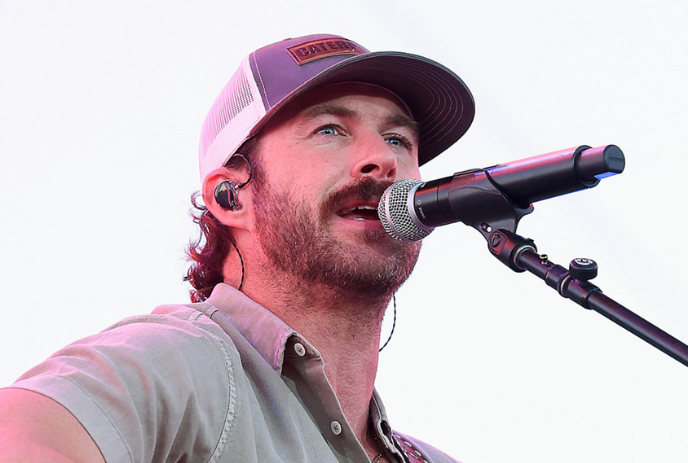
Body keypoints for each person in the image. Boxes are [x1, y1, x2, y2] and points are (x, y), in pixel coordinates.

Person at [0, 34, 474, 462]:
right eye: (330, 130)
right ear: (232, 196)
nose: (383, 160)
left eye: (398, 139)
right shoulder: (180, 363)